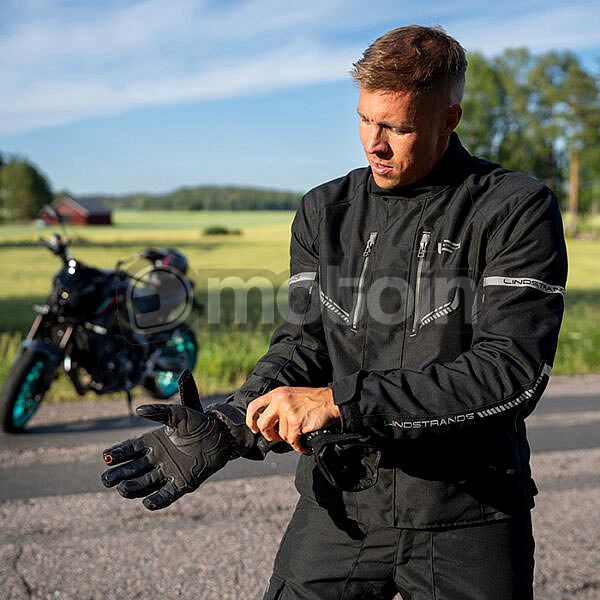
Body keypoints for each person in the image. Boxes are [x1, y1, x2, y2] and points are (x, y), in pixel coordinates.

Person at [102, 25, 568, 599]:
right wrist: (232, 423)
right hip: (341, 504)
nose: (375, 144)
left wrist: (338, 402)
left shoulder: (514, 207)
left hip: (468, 511)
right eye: (365, 120)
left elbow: (510, 372)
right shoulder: (325, 210)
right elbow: (303, 346)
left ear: (450, 119)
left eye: (398, 127)